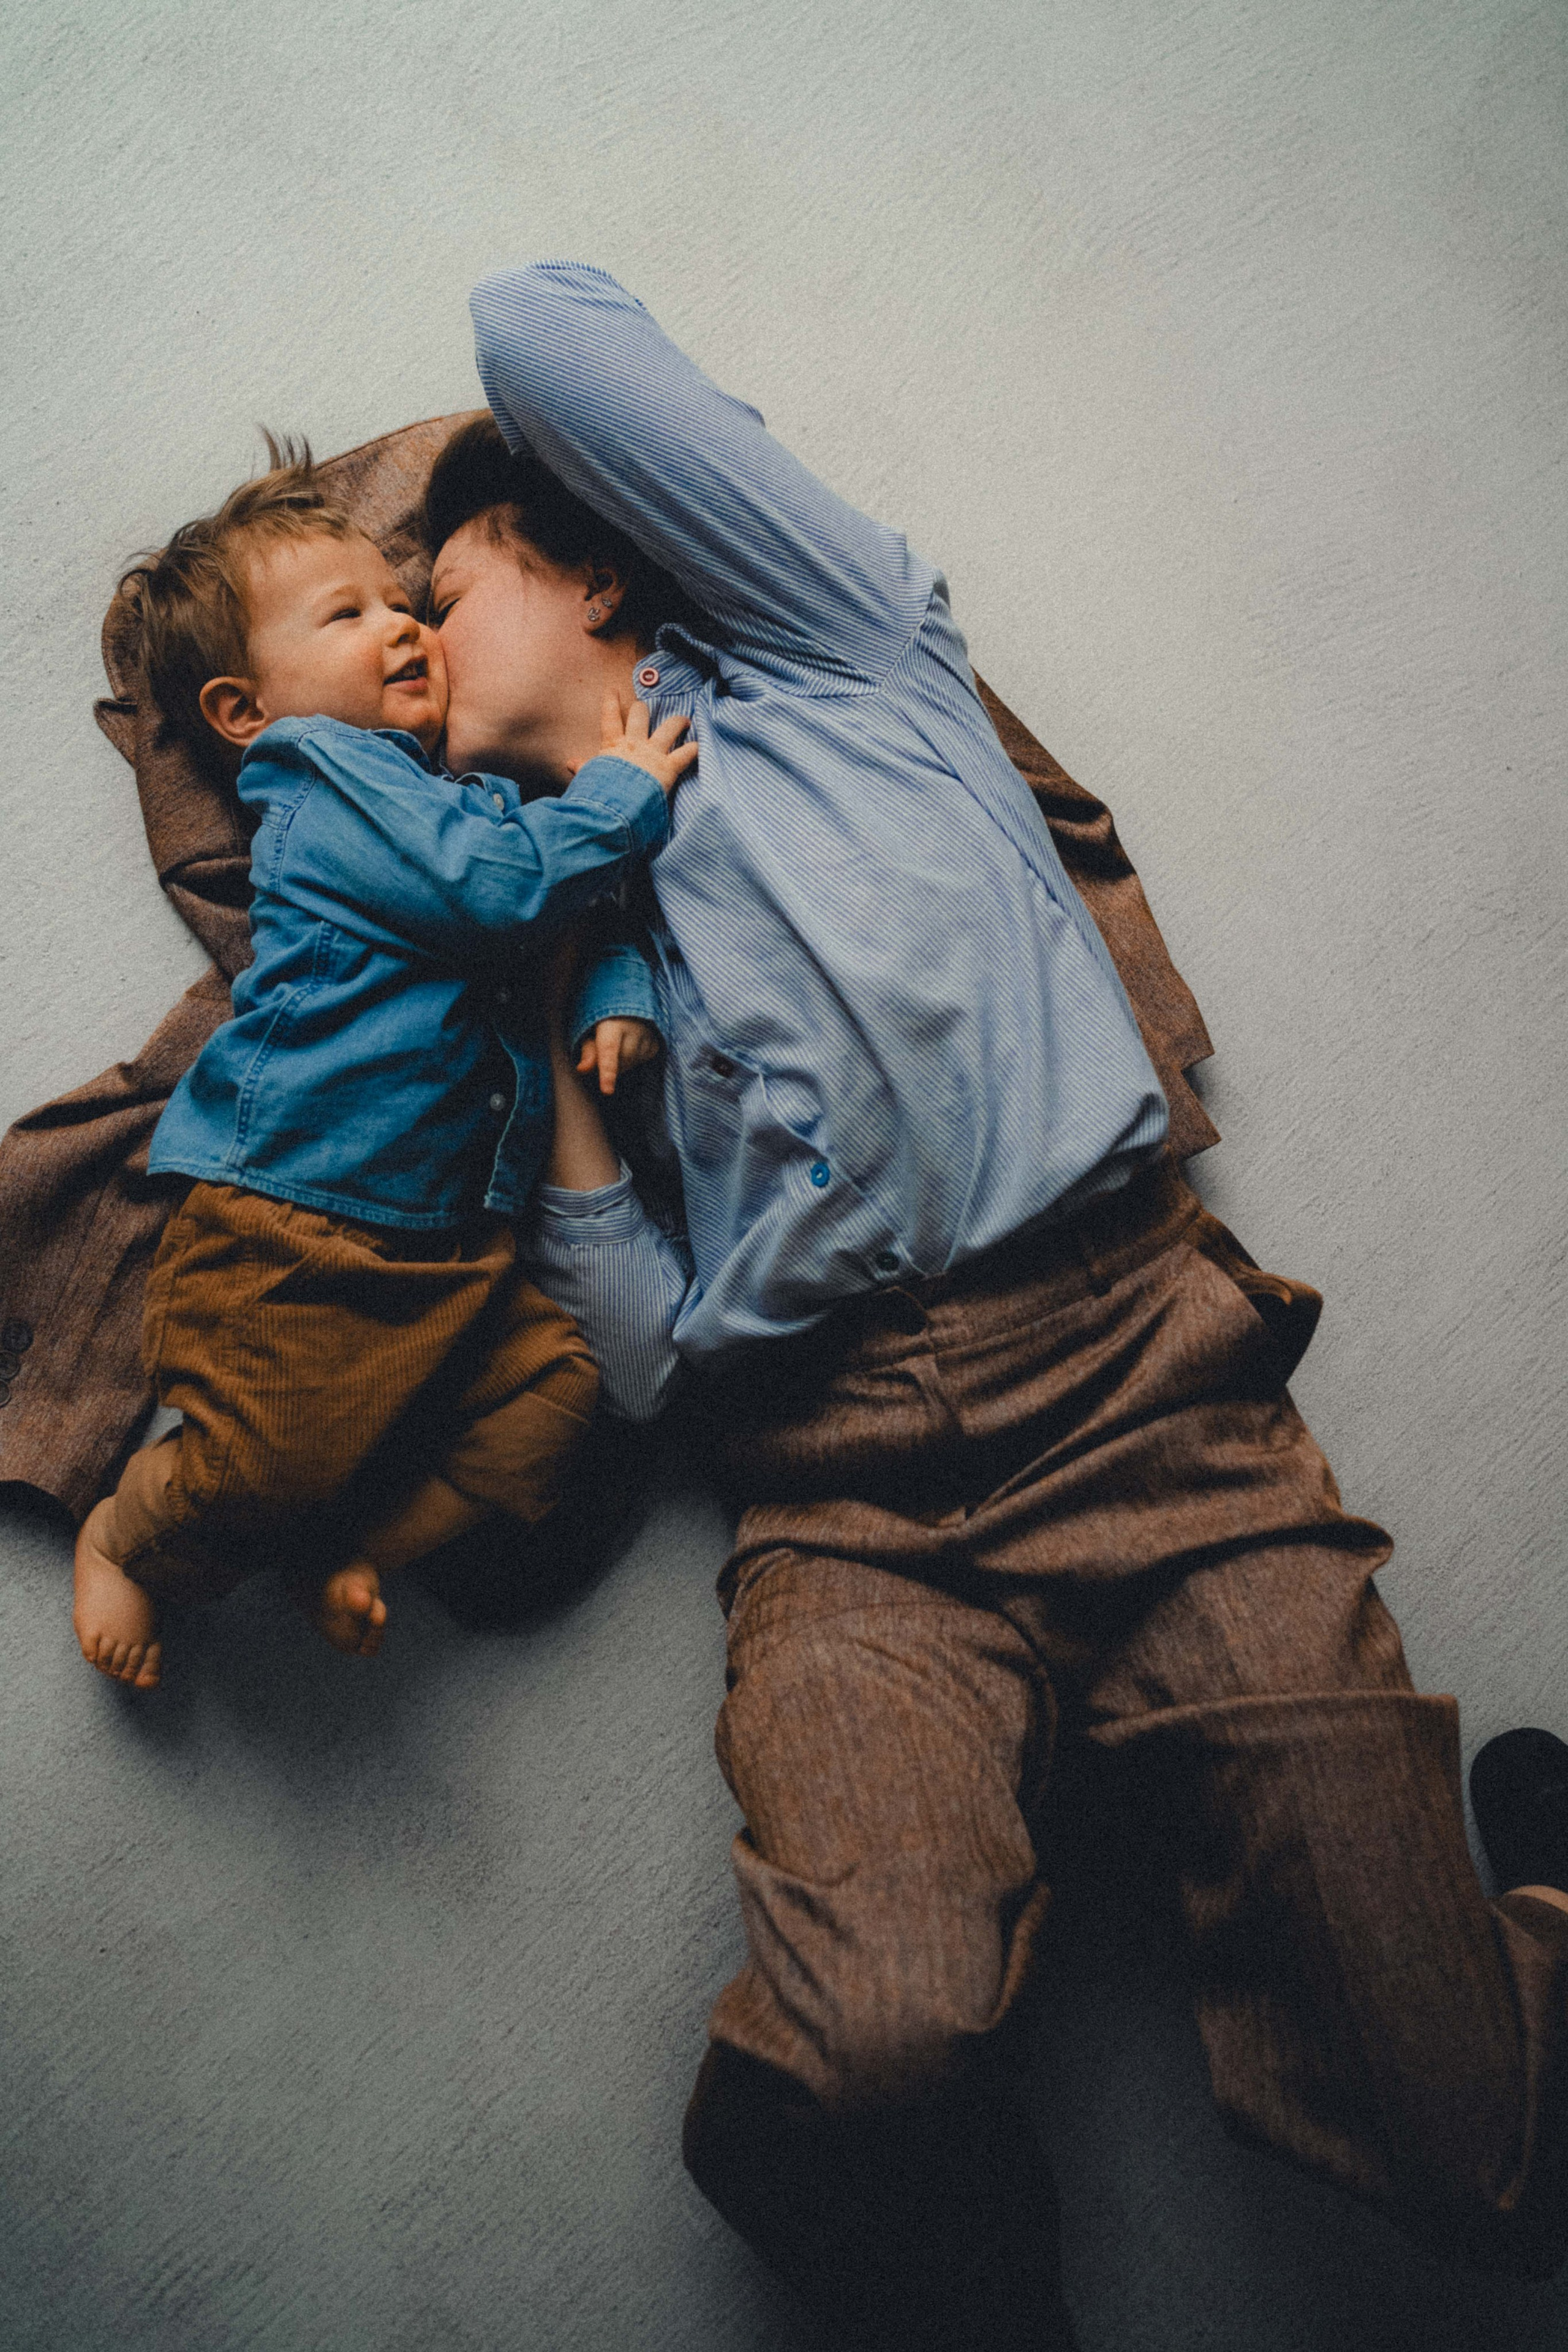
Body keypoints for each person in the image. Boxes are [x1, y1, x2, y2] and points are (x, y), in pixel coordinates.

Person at [416, 261, 1568, 2349]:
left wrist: (396, 505)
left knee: (1485, 2149)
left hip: (1147, 1403)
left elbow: (534, 324)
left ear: (598, 570)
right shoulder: (539, 924)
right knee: (868, 2064)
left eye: (443, 599)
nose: (408, 656)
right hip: (845, 1518)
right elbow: (657, 1357)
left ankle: (1551, 1908)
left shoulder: (839, 656)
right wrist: (561, 1090)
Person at [70, 444, 693, 1691]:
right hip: (297, 1219)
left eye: (406, 605)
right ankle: (132, 1523)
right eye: (348, 615)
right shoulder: (323, 780)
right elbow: (507, 892)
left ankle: (359, 1549)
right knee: (260, 1459)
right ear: (247, 711)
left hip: (452, 1246)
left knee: (556, 1399)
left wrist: (619, 992)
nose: (403, 627)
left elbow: (578, 908)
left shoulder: (456, 800)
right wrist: (619, 792)